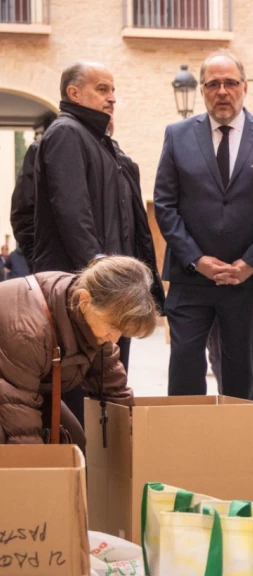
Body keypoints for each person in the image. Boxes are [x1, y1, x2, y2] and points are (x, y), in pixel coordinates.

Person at [33, 62, 164, 376]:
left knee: (110, 377)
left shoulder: (103, 143)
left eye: (113, 89)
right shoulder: (66, 132)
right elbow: (72, 211)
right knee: (79, 382)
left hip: (112, 287)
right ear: (74, 93)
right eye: (102, 89)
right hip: (88, 289)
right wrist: (99, 273)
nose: (112, 97)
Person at [154, 49, 253, 402]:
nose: (223, 91)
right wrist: (196, 259)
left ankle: (237, 452)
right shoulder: (177, 135)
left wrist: (251, 261)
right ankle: (186, 450)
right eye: (214, 84)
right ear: (202, 90)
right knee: (185, 369)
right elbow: (165, 204)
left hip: (246, 281)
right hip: (191, 280)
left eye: (230, 83)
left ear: (244, 87)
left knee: (240, 377)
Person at [0, 256, 157, 448]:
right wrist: (37, 472)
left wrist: (136, 442)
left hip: (25, 389)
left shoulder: (95, 308)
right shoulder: (29, 332)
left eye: (121, 331)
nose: (114, 339)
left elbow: (115, 391)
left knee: (78, 447)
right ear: (85, 301)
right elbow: (18, 413)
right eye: (112, 327)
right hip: (11, 391)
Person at [10, 112, 57, 268]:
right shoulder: (39, 153)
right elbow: (22, 214)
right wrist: (39, 261)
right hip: (55, 270)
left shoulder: (114, 157)